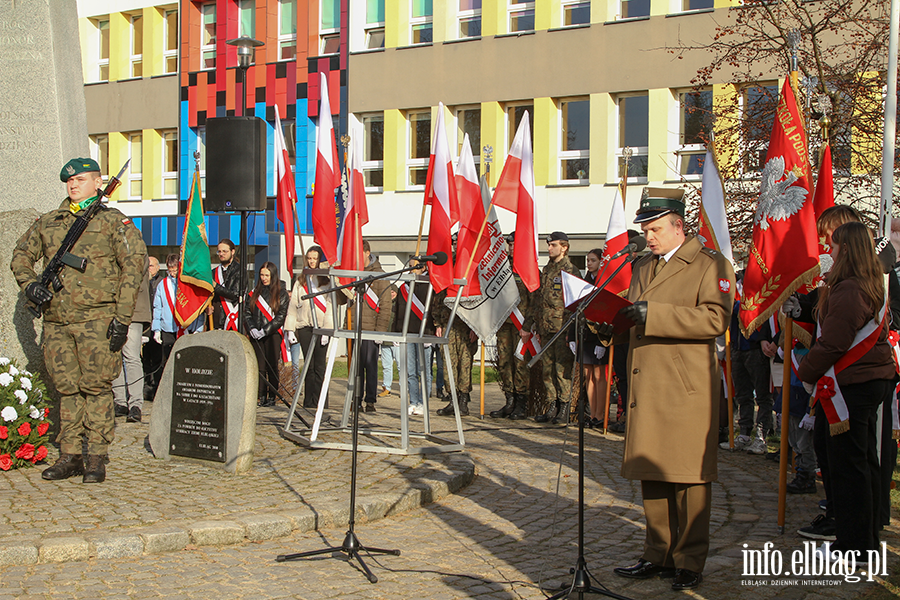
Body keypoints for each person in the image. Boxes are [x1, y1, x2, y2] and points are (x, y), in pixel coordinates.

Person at [605, 187, 734, 591]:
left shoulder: (711, 265)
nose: (649, 236)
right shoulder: (643, 266)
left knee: (689, 477)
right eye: (646, 229)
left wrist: (653, 314)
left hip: (686, 388)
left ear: (679, 226)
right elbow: (631, 310)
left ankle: (689, 560)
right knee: (652, 472)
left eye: (656, 228)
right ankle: (656, 553)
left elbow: (716, 319)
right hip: (649, 383)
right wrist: (604, 318)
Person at [10, 157, 147, 484]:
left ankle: (96, 457)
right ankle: (70, 455)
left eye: (82, 180)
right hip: (58, 322)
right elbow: (21, 256)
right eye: (69, 181)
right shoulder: (49, 222)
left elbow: (134, 267)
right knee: (68, 388)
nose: (73, 185)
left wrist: (122, 319)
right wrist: (31, 286)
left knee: (96, 387)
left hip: (98, 321)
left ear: (98, 183)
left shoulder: (113, 222)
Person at [797, 221, 895, 556]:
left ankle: (853, 545)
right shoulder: (861, 283)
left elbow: (835, 343)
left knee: (850, 467)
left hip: (856, 383)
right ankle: (862, 541)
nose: (830, 250)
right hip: (865, 379)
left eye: (834, 245)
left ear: (848, 249)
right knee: (861, 463)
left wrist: (806, 371)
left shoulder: (851, 289)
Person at [530, 231, 580, 424]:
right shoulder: (546, 269)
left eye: (553, 245)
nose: (549, 248)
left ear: (564, 247)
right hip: (545, 327)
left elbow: (574, 301)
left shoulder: (570, 270)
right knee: (547, 369)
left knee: (562, 368)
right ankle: (552, 406)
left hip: (562, 327)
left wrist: (571, 329)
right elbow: (539, 299)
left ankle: (564, 407)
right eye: (549, 245)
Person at [490, 231, 534, 420]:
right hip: (503, 323)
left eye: (515, 244)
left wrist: (529, 325)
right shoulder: (501, 267)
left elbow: (535, 301)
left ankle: (521, 404)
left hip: (521, 325)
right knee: (504, 362)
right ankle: (509, 401)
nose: (511, 247)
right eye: (509, 244)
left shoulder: (528, 269)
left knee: (520, 363)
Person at [285, 246, 333, 408]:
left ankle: (321, 403)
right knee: (308, 365)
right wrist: (290, 328)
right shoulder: (300, 281)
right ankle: (309, 402)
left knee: (319, 366)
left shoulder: (327, 281)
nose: (312, 262)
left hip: (321, 328)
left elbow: (330, 307)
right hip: (304, 326)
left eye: (315, 258)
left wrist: (327, 329)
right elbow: (293, 306)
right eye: (310, 258)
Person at [112, 256, 152, 423]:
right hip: (112, 309)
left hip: (133, 310)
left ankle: (135, 404)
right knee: (115, 356)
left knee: (131, 356)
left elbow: (131, 271)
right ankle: (119, 401)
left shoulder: (136, 246)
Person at [244, 261, 289, 407]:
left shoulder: (281, 293)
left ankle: (272, 396)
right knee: (259, 366)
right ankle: (260, 395)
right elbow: (246, 312)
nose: (264, 278)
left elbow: (281, 316)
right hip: (256, 334)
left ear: (273, 276)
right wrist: (252, 329)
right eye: (262, 275)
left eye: (267, 275)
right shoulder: (253, 293)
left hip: (272, 334)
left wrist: (265, 330)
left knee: (272, 366)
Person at [393, 261, 434, 415]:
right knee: (410, 370)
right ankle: (413, 402)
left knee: (424, 370)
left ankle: (424, 402)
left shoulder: (430, 284)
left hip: (424, 333)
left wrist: (431, 331)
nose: (412, 269)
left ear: (423, 268)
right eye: (410, 265)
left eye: (415, 266)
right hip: (407, 332)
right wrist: (396, 332)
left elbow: (431, 310)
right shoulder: (404, 287)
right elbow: (398, 311)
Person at [357, 240, 393, 412]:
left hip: (371, 329)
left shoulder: (380, 275)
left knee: (370, 365)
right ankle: (355, 398)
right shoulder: (353, 273)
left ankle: (370, 400)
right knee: (355, 368)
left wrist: (380, 332)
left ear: (367, 252)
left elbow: (386, 306)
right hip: (355, 327)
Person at [151, 254, 203, 372]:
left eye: (175, 270)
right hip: (168, 328)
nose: (173, 274)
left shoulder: (188, 284)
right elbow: (158, 307)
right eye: (170, 271)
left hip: (186, 327)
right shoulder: (162, 285)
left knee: (187, 361)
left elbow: (197, 307)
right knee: (169, 360)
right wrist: (156, 329)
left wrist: (198, 328)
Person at [577, 248, 608, 428]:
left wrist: (602, 340)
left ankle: (601, 414)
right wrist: (572, 337)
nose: (589, 263)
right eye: (587, 260)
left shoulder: (605, 282)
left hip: (600, 335)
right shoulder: (585, 281)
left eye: (593, 260)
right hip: (586, 334)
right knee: (588, 374)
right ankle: (593, 415)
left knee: (599, 375)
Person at [142, 256, 164, 403]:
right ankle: (146, 387)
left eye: (151, 266)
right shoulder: (143, 282)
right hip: (145, 325)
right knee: (144, 359)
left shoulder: (162, 283)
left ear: (157, 267)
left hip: (157, 325)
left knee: (157, 358)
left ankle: (156, 388)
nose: (149, 268)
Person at [209, 239, 242, 331]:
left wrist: (216, 286)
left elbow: (235, 294)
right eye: (219, 251)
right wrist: (206, 308)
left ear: (232, 252)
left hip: (232, 320)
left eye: (225, 251)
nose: (221, 254)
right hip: (215, 320)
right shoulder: (213, 272)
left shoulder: (239, 271)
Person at [379, 287, 400, 398]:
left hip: (396, 340)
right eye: (389, 292)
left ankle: (403, 388)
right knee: (386, 366)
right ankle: (386, 387)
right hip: (385, 340)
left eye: (393, 292)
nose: (391, 294)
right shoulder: (383, 305)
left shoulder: (399, 305)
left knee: (401, 366)